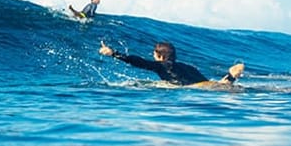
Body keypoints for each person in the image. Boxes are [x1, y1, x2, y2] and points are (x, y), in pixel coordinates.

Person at [99, 40, 244, 86]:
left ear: (160, 56)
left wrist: (113, 53)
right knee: (220, 85)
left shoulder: (161, 65)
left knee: (219, 87)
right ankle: (230, 77)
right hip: (205, 83)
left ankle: (230, 77)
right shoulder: (186, 66)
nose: (153, 56)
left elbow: (139, 62)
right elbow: (204, 81)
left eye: (154, 54)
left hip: (195, 87)